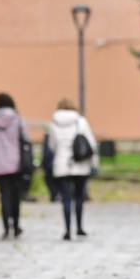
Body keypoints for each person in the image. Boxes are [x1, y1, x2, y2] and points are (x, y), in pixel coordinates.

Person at [46, 97, 99, 240]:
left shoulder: (53, 124)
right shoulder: (81, 121)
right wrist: (94, 164)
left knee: (66, 198)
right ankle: (80, 227)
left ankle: (67, 229)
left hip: (62, 163)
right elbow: (91, 144)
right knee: (79, 196)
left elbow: (52, 145)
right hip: (80, 162)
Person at [0, 92, 31, 239]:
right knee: (15, 196)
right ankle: (15, 226)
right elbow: (26, 138)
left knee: (4, 196)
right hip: (15, 163)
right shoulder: (17, 119)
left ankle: (5, 227)